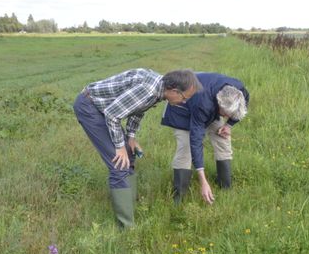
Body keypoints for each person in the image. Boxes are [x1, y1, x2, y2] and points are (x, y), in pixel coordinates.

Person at [74, 68, 201, 227]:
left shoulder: (158, 90)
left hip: (104, 109)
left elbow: (137, 109)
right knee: (118, 162)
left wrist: (131, 138)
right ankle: (126, 227)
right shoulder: (149, 90)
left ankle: (129, 202)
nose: (184, 102)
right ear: (174, 90)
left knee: (130, 152)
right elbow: (112, 115)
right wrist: (119, 147)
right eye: (184, 98)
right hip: (90, 106)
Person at [161, 72, 249, 205]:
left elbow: (242, 107)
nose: (225, 116)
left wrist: (229, 125)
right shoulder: (203, 102)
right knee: (186, 148)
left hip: (210, 107)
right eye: (225, 114)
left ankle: (225, 187)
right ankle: (178, 199)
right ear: (219, 104)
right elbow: (196, 140)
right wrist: (203, 180)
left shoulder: (239, 92)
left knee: (223, 139)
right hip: (181, 109)